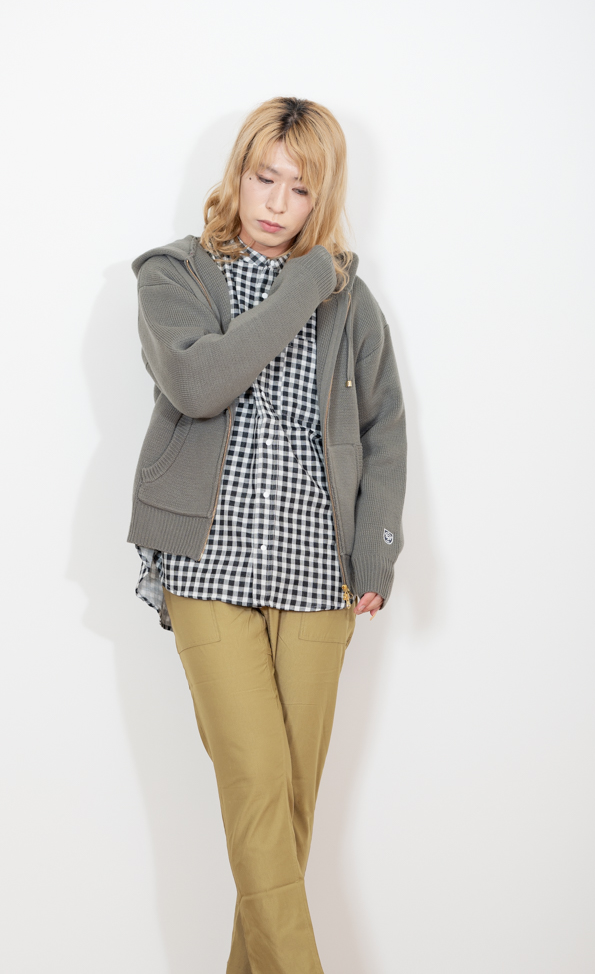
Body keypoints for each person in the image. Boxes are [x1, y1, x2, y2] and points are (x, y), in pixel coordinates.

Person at [127, 97, 406, 974]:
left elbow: (384, 428)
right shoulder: (173, 274)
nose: (278, 203)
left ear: (323, 195)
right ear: (238, 174)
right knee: (255, 785)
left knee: (286, 810)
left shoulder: (351, 300)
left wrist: (376, 550)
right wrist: (299, 288)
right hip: (208, 565)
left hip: (319, 574)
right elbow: (199, 382)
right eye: (264, 177)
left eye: (300, 187)